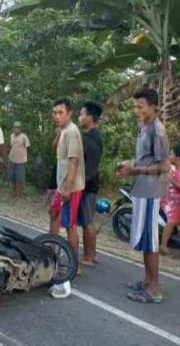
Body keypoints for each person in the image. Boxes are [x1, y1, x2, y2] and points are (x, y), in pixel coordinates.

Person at [117, 89, 169, 304]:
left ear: (153, 106)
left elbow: (164, 166)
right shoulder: (144, 127)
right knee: (144, 240)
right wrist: (130, 165)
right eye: (135, 106)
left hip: (150, 192)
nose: (136, 110)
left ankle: (154, 289)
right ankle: (147, 282)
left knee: (150, 242)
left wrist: (135, 171)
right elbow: (145, 159)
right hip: (141, 190)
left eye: (140, 107)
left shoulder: (157, 130)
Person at [50, 97, 85, 264]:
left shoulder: (72, 131)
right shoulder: (63, 130)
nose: (57, 116)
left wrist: (67, 188)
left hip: (70, 187)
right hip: (61, 184)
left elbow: (74, 160)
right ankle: (51, 251)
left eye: (60, 113)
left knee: (70, 225)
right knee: (53, 213)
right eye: (55, 113)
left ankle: (74, 264)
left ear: (69, 113)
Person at [77, 101, 103, 266]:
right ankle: (91, 254)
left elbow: (91, 166)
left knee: (87, 221)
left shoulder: (91, 138)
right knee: (87, 221)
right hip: (87, 183)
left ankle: (89, 256)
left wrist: (81, 183)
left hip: (87, 184)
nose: (80, 117)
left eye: (82, 114)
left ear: (90, 117)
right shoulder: (91, 135)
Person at [161, 144, 180, 255]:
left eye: (171, 153)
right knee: (172, 220)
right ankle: (163, 245)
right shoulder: (170, 169)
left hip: (178, 202)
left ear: (177, 158)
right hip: (168, 201)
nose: (169, 155)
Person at [8, 121, 30, 199]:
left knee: (20, 178)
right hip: (12, 159)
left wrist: (26, 157)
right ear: (13, 128)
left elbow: (28, 147)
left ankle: (19, 194)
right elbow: (11, 146)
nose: (16, 129)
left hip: (21, 160)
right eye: (15, 127)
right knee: (12, 177)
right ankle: (14, 193)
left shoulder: (24, 137)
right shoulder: (11, 136)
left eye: (18, 127)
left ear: (20, 129)